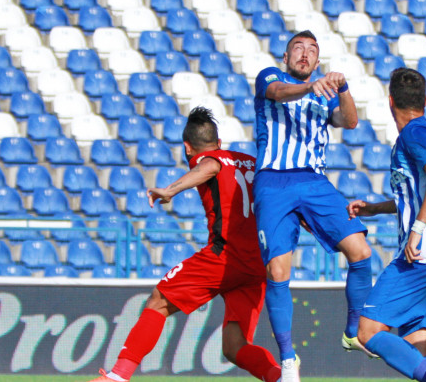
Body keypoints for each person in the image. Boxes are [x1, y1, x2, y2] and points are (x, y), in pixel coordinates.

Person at [88, 107, 281, 382]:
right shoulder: (251, 162)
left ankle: (118, 376)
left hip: (224, 257)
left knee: (158, 302)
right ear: (220, 142)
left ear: (187, 148)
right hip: (256, 265)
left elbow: (209, 167)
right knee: (235, 348)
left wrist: (171, 189)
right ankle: (282, 376)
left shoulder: (211, 159)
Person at [253, 30, 374, 382]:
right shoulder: (270, 78)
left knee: (361, 251)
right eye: (298, 48)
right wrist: (313, 86)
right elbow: (277, 93)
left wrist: (344, 87)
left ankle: (353, 331)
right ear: (286, 56)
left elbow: (349, 122)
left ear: (318, 61)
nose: (304, 54)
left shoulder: (326, 94)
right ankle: (288, 359)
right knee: (278, 272)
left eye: (311, 50)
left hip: (314, 180)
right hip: (274, 180)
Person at [347, 68, 426, 382]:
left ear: (390, 101)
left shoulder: (415, 132)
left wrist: (417, 229)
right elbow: (423, 191)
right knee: (416, 348)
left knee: (368, 331)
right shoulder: (421, 134)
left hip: (421, 256)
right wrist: (375, 208)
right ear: (425, 100)